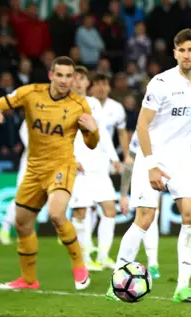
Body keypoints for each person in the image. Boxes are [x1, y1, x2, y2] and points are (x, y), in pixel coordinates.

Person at [107, 29, 191, 303]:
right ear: (175, 53)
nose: (186, 55)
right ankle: (116, 283)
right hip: (153, 156)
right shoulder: (161, 83)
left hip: (183, 158)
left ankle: (182, 287)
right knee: (144, 218)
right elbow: (141, 125)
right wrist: (151, 165)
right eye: (181, 50)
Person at [0, 56, 99, 290]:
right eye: (60, 75)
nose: (65, 80)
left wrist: (93, 131)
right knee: (22, 223)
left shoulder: (79, 105)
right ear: (51, 75)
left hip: (62, 166)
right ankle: (28, 280)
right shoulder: (30, 93)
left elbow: (91, 144)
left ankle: (79, 266)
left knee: (57, 214)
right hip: (34, 168)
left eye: (69, 76)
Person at [119, 122, 191, 280]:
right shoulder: (148, 121)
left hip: (180, 166)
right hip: (151, 167)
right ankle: (153, 263)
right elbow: (131, 158)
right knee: (149, 215)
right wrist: (123, 194)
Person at [69, 66, 121, 271]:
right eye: (75, 78)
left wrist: (114, 157)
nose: (79, 82)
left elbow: (102, 133)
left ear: (86, 83)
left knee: (109, 210)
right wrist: (71, 158)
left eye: (82, 78)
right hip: (79, 166)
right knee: (81, 211)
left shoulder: (93, 104)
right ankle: (83, 257)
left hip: (98, 165)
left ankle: (103, 255)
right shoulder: (64, 104)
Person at [0, 121, 29, 246]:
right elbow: (24, 133)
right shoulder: (33, 114)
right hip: (31, 163)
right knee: (21, 197)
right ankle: (4, 229)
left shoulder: (55, 114)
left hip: (48, 164)